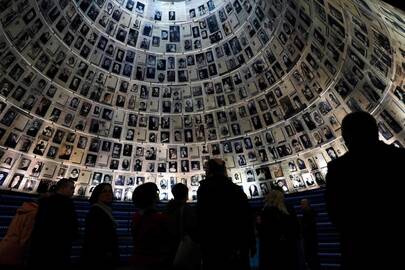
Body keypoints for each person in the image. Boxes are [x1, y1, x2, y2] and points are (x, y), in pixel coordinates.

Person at [325, 111, 405, 270]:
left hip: (357, 253)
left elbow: (335, 214)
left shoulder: (337, 170)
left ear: (347, 138)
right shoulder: (400, 159)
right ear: (376, 131)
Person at [196, 159, 256, 270]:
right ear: (224, 171)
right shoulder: (236, 190)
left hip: (212, 244)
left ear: (209, 171)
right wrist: (251, 242)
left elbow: (201, 218)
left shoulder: (204, 189)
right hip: (237, 244)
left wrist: (199, 241)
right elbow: (246, 218)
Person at [28, 178, 78, 270]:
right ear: (62, 188)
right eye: (71, 188)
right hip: (59, 246)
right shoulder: (67, 203)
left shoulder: (45, 200)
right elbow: (70, 224)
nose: (73, 191)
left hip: (41, 246)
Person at [0, 185, 53, 268]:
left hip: (5, 247)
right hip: (15, 254)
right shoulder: (34, 214)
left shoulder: (25, 209)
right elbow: (25, 238)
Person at [257, 189, 301, 270]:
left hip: (271, 248)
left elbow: (262, 231)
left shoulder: (265, 211)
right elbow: (296, 228)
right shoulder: (289, 209)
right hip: (289, 247)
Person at [131, 183, 171, 270]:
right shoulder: (159, 218)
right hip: (156, 262)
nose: (158, 193)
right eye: (157, 191)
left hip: (138, 261)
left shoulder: (136, 216)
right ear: (152, 196)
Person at [81, 183, 119, 270]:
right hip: (99, 258)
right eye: (104, 191)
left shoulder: (105, 210)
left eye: (110, 191)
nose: (108, 194)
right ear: (97, 194)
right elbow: (96, 238)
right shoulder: (96, 212)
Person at [165, 183, 200, 270]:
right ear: (186, 194)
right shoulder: (188, 209)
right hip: (184, 246)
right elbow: (193, 229)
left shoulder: (167, 208)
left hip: (169, 247)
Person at [300, 199, 320, 270]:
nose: (301, 206)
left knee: (311, 258)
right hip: (310, 239)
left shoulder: (308, 214)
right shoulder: (309, 213)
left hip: (310, 239)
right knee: (312, 258)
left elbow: (306, 227)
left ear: (307, 204)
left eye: (302, 204)